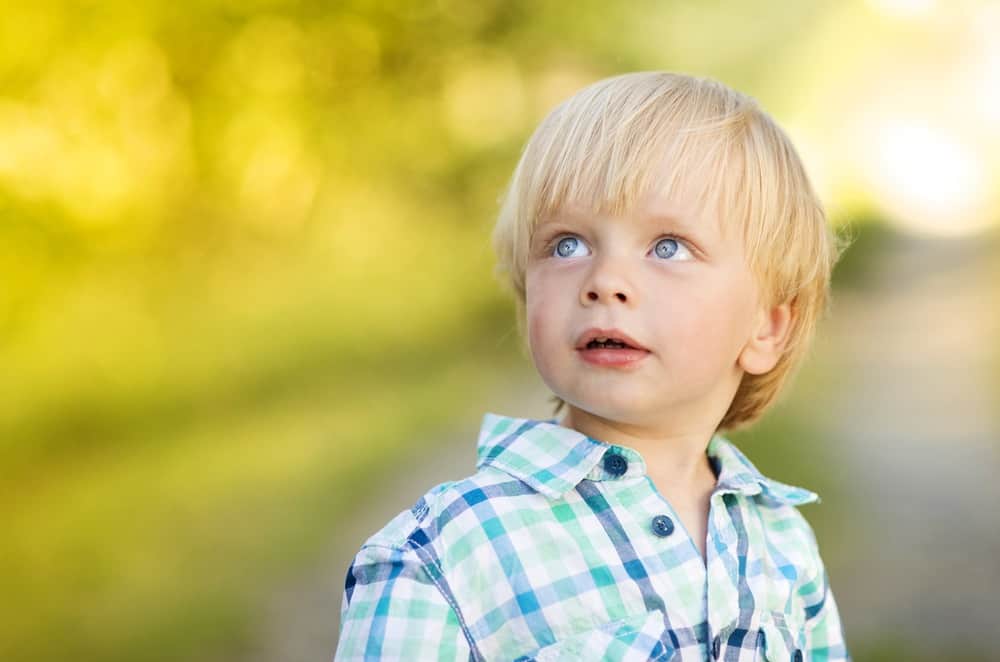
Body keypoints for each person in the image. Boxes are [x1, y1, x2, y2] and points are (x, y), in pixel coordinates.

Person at [334, 71, 852, 661]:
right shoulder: (445, 556)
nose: (605, 282)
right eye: (567, 245)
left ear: (765, 328)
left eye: (668, 247)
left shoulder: (783, 543)